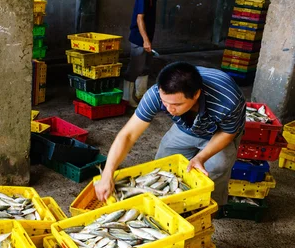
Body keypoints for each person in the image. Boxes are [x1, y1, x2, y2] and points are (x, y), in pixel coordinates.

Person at [95, 62, 245, 207]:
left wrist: (201, 157)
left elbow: (227, 133)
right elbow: (127, 135)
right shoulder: (155, 94)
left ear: (196, 94)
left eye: (177, 105)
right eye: (165, 102)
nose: (169, 109)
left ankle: (209, 207)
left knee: (215, 171)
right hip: (186, 126)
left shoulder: (228, 101)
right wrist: (108, 174)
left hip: (218, 131)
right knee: (162, 168)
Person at [124, 0, 169, 108]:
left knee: (145, 67)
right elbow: (139, 18)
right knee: (135, 67)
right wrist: (145, 40)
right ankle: (127, 98)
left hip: (146, 37)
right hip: (139, 38)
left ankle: (140, 95)